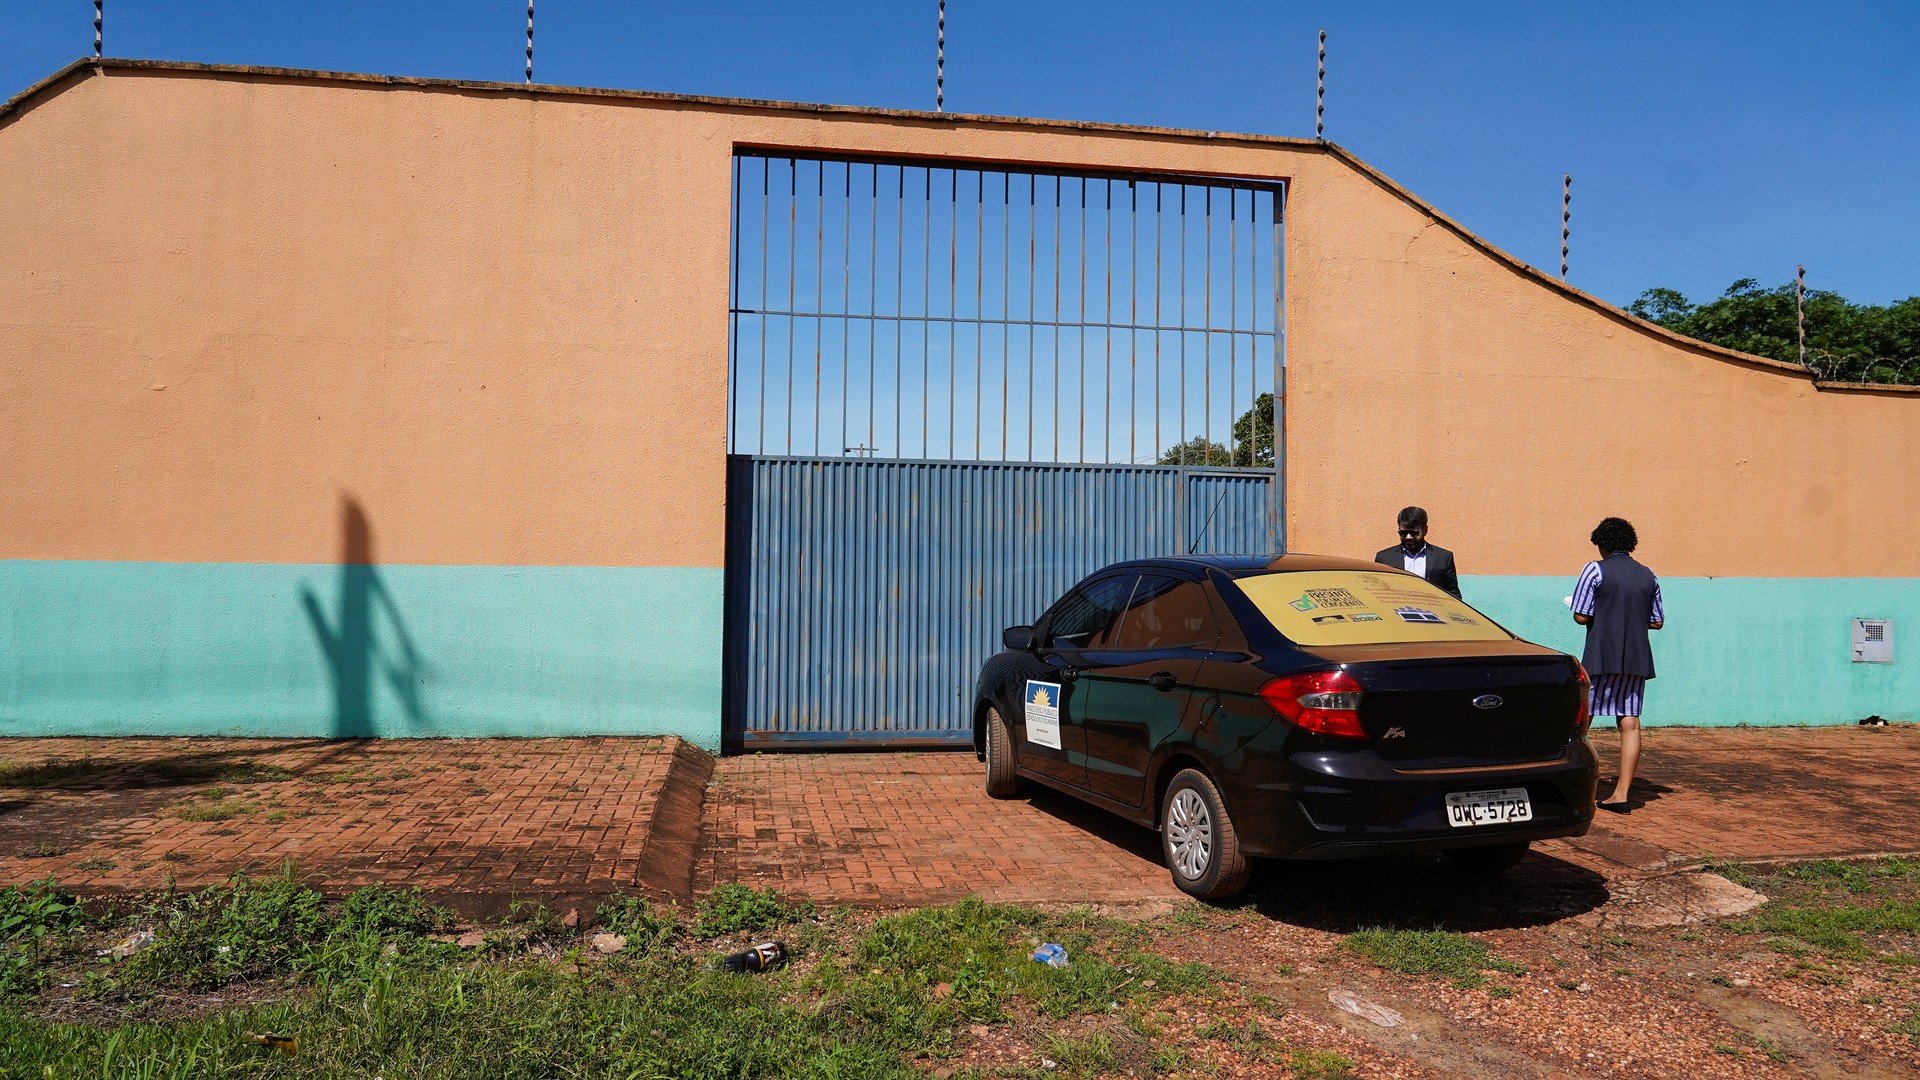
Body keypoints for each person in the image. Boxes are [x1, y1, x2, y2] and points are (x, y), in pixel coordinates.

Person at [1570, 517, 1664, 813]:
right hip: (1636, 657)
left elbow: (1581, 615)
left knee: (1582, 722)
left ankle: (1573, 789)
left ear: (1603, 545)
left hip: (1601, 654)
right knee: (1630, 721)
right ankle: (1622, 794)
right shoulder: (1649, 575)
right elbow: (1657, 621)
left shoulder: (1594, 569)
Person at [1373, 506, 1461, 599]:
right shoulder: (1384, 559)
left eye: (1414, 533)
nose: (1408, 537)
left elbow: (1454, 595)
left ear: (1425, 530)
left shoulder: (1443, 558)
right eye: (1403, 533)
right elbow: (1375, 593)